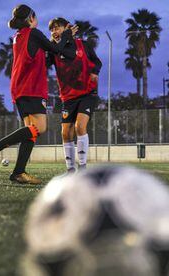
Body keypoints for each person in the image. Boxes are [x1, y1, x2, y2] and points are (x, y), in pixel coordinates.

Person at [0, 5, 77, 184]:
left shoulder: (19, 35)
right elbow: (57, 50)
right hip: (31, 87)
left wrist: (58, 40)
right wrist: (66, 35)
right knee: (40, 128)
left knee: (30, 132)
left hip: (20, 87)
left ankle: (18, 172)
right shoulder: (33, 33)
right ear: (31, 18)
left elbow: (47, 53)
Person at [47, 17, 102, 173]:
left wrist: (94, 72)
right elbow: (43, 64)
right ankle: (71, 170)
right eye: (52, 29)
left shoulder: (82, 45)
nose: (54, 32)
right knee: (65, 132)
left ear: (67, 28)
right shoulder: (53, 51)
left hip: (87, 93)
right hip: (67, 97)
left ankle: (82, 167)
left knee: (79, 127)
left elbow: (97, 62)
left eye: (57, 28)